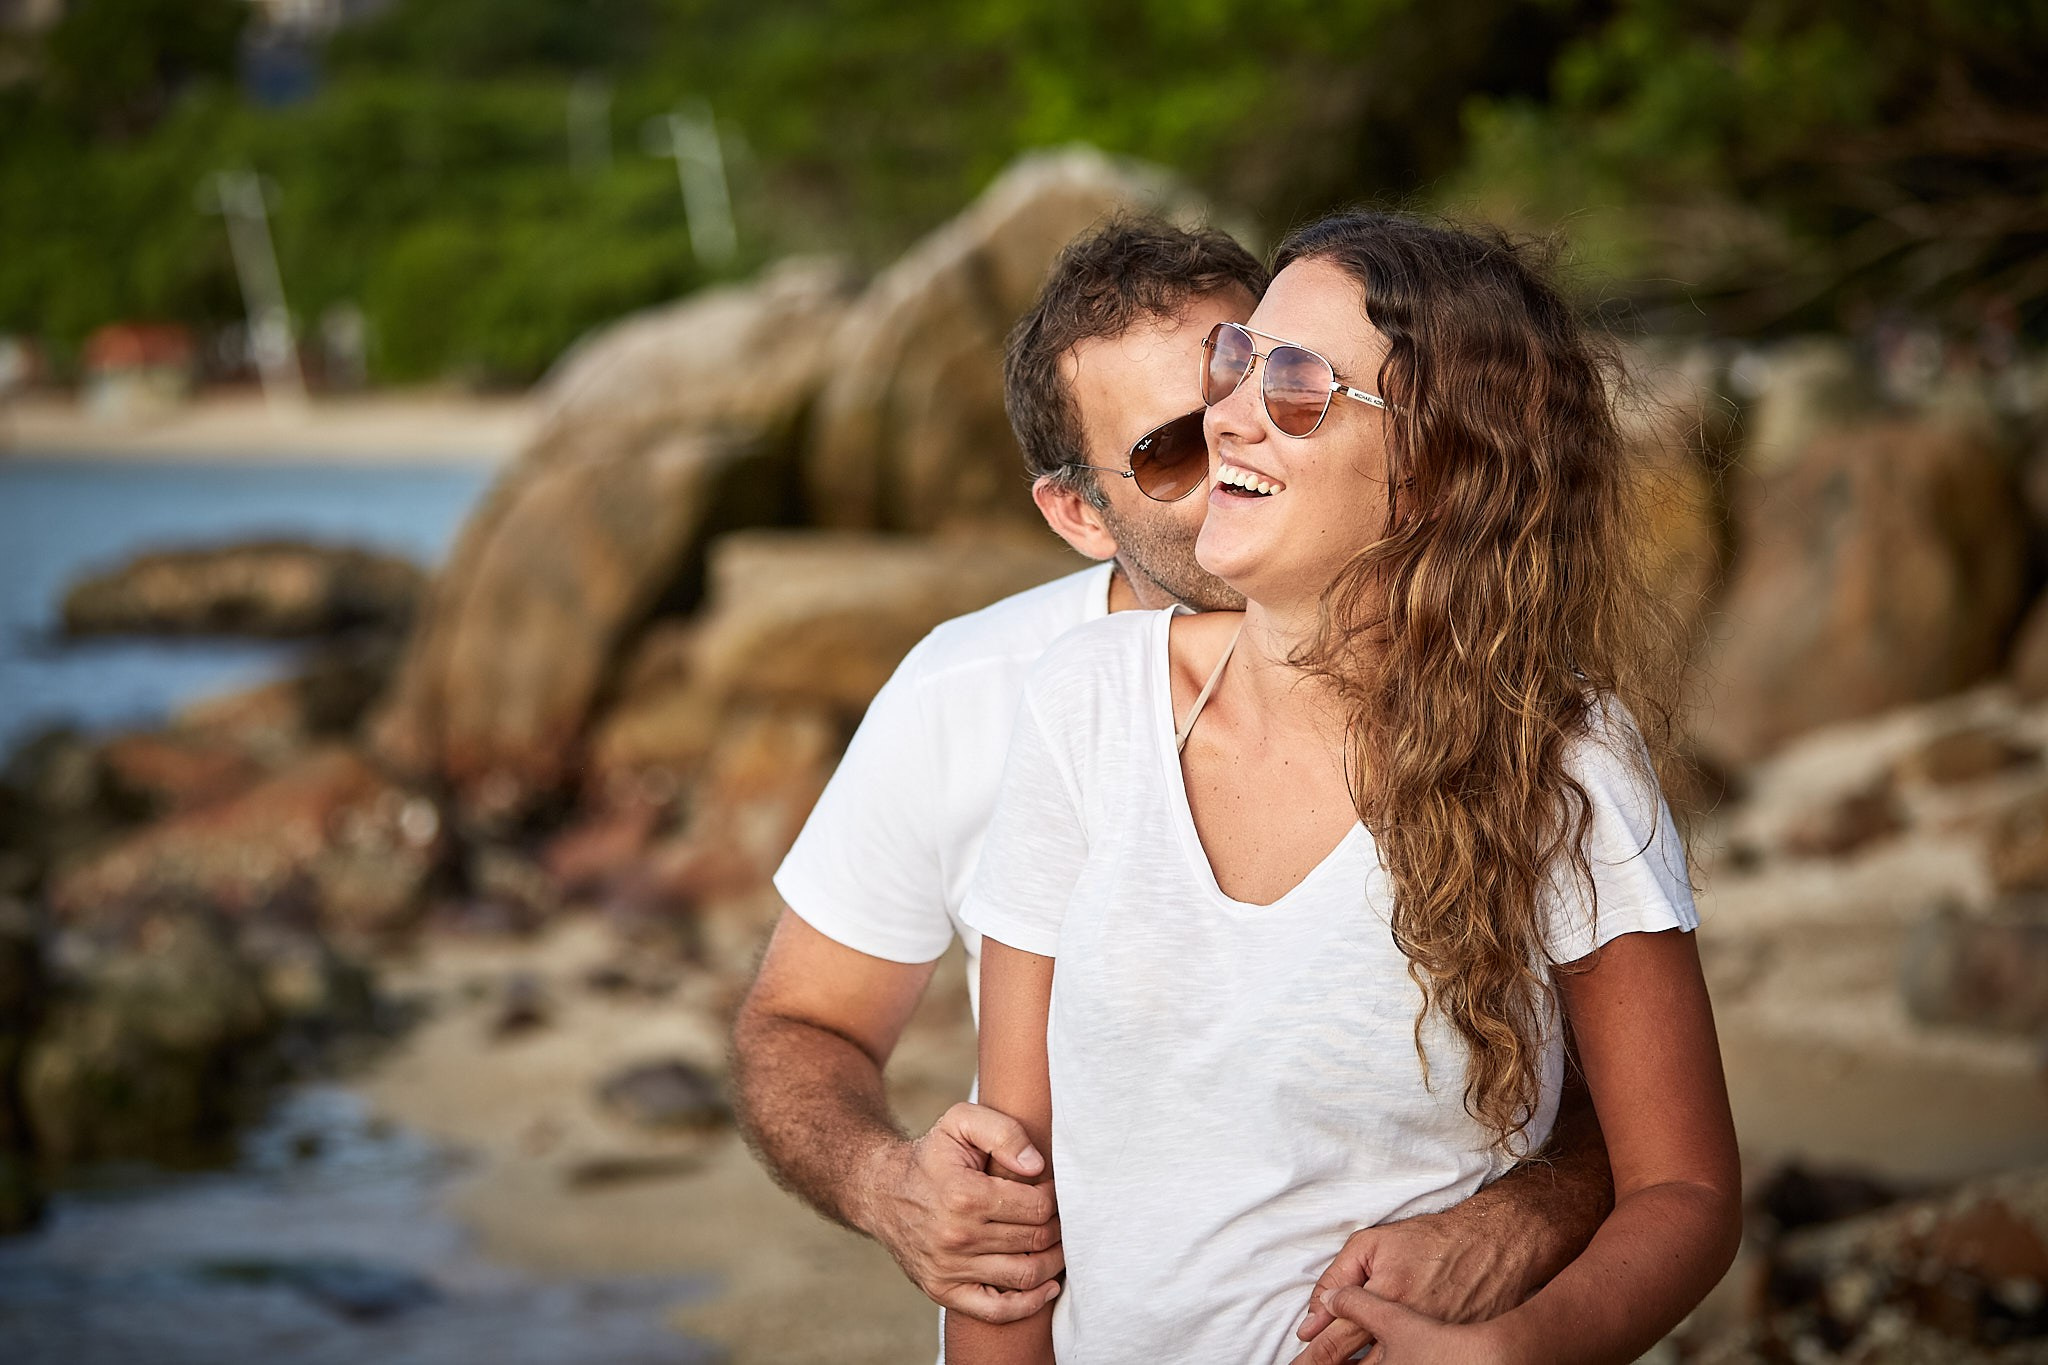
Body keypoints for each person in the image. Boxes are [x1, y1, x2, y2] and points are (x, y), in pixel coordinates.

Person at [730, 219, 1620, 1350]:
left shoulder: (1508, 710)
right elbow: (804, 1019)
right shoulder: (983, 693)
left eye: (1264, 378)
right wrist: (888, 1186)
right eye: (1169, 449)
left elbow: (1628, 1107)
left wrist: (1526, 1214)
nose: (1238, 435)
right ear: (1076, 513)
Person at [949, 213, 1741, 1364]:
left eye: (1296, 387)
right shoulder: (1086, 705)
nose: (1226, 414)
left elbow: (1684, 1192)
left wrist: (1515, 1351)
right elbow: (1005, 1200)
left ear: (1439, 468)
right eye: (1235, 362)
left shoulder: (1558, 759)